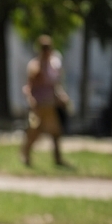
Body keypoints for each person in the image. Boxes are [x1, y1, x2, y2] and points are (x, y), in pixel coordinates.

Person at [21, 35, 70, 168]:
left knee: (55, 132)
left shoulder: (53, 65)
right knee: (34, 132)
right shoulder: (34, 65)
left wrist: (61, 96)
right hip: (38, 105)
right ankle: (25, 155)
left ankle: (58, 159)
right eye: (45, 48)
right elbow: (29, 86)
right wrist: (31, 100)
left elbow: (55, 85)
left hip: (49, 104)